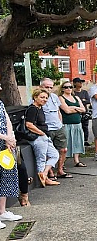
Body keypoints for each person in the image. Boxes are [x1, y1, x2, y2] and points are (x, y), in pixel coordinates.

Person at [25, 89, 60, 187]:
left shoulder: (40, 108)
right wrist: (41, 133)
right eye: (42, 97)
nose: (44, 100)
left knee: (54, 155)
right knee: (41, 157)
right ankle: (44, 178)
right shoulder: (32, 109)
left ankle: (44, 174)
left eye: (46, 98)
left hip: (44, 136)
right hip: (38, 137)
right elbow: (29, 124)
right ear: (35, 97)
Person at [0, 84, 21, 229]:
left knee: (6, 176)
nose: (1, 88)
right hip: (2, 140)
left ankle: (2, 211)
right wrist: (5, 138)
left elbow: (7, 120)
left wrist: (10, 138)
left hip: (4, 144)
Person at [40, 78, 70, 178]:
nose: (49, 89)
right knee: (49, 152)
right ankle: (50, 172)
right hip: (47, 128)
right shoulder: (37, 98)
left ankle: (60, 170)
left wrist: (61, 123)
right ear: (41, 87)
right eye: (46, 87)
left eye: (51, 87)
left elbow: (58, 111)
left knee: (63, 149)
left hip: (58, 127)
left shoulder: (54, 97)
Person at [59, 80, 86, 168]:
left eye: (70, 87)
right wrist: (77, 108)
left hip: (77, 124)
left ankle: (77, 160)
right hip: (67, 124)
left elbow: (83, 109)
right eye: (66, 87)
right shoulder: (61, 98)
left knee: (77, 142)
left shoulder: (76, 98)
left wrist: (73, 108)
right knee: (66, 143)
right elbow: (66, 110)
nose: (69, 89)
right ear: (62, 89)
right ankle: (62, 163)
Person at [72, 77, 91, 146]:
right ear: (74, 83)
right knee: (76, 127)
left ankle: (85, 140)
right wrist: (82, 101)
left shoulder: (84, 92)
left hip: (84, 112)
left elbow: (88, 101)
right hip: (76, 112)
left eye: (81, 82)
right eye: (79, 82)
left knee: (85, 126)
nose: (80, 83)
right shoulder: (73, 93)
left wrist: (83, 101)